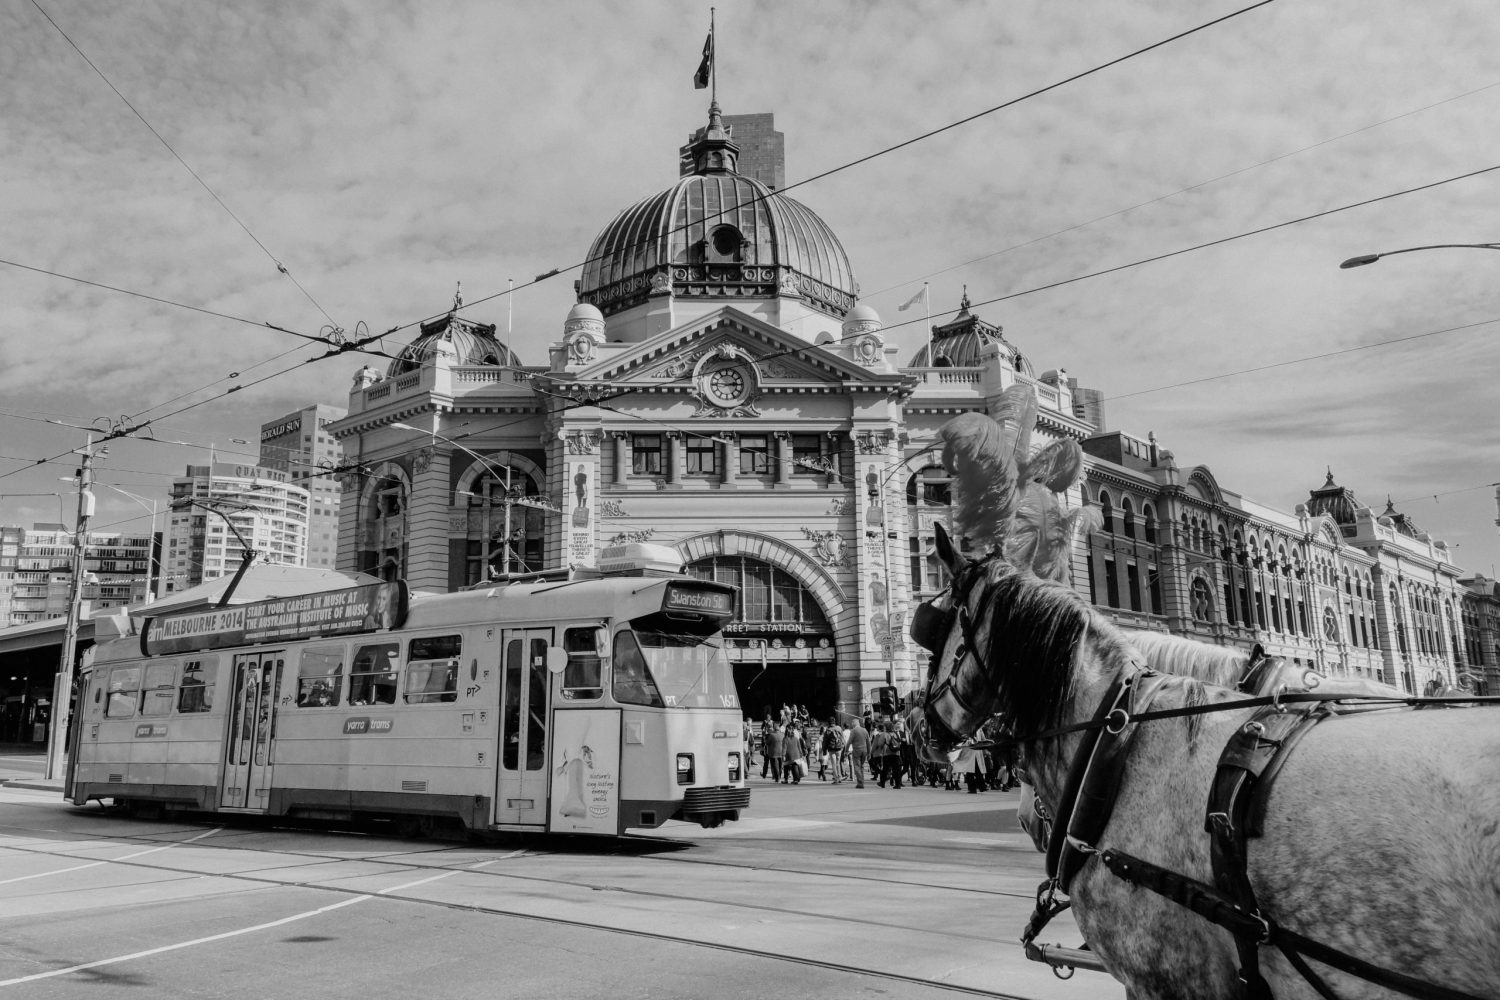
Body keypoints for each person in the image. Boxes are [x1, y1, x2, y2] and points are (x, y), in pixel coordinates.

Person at [846, 716, 870, 788]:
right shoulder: (865, 730)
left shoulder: (853, 731)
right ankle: (862, 781)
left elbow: (849, 741)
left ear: (854, 723)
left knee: (857, 766)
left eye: (852, 723)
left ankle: (860, 783)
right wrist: (869, 752)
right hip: (864, 750)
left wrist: (846, 750)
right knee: (861, 766)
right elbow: (868, 742)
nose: (852, 724)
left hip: (857, 750)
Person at [760, 716, 783, 782]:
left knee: (772, 764)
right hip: (777, 751)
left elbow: (766, 742)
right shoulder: (781, 734)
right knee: (777, 765)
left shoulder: (771, 734)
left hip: (771, 751)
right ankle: (776, 776)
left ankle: (775, 776)